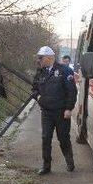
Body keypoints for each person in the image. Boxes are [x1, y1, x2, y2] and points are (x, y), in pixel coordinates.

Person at [31, 46, 77, 174]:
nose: (39, 60)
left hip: (61, 112)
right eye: (38, 57)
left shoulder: (65, 71)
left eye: (41, 58)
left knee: (63, 138)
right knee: (46, 138)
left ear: (50, 58)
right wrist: (39, 97)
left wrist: (69, 108)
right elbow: (33, 89)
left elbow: (71, 91)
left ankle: (69, 162)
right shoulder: (40, 71)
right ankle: (46, 166)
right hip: (46, 112)